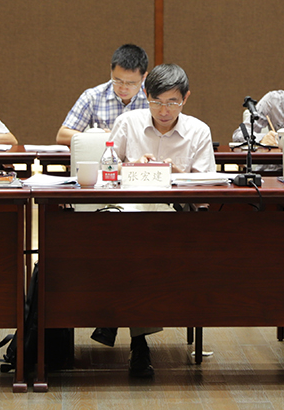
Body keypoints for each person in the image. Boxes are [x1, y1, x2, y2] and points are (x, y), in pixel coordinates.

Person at [89, 63, 215, 379]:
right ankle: (138, 340)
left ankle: (115, 323)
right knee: (123, 234)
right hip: (127, 208)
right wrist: (132, 166)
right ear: (145, 96)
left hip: (173, 216)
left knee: (137, 238)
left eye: (173, 102)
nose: (164, 110)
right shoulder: (127, 123)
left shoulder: (198, 131)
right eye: (157, 102)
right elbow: (106, 172)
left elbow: (206, 191)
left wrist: (177, 174)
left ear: (186, 98)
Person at [56, 44, 151, 145]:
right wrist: (99, 138)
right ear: (111, 70)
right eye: (117, 81)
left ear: (144, 77)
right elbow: (62, 135)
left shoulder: (153, 98)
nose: (123, 88)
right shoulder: (93, 97)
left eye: (131, 83)